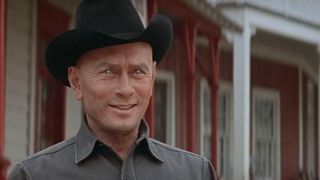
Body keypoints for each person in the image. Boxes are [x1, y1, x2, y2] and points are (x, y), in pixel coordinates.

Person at [9, 0, 216, 179]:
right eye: (108, 72)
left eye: (137, 72)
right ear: (76, 82)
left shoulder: (195, 173)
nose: (125, 89)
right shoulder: (35, 176)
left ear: (152, 77)